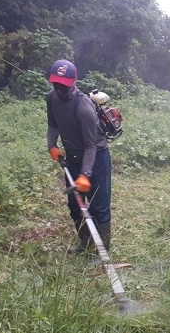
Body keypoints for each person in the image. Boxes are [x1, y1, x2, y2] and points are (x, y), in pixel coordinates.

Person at [45, 59, 112, 253]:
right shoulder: (51, 98)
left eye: (64, 85)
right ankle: (86, 244)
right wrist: (52, 146)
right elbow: (53, 125)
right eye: (56, 84)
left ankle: (103, 250)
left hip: (96, 158)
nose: (59, 89)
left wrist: (85, 174)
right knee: (75, 206)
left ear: (74, 82)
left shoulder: (83, 107)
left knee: (99, 207)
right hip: (72, 159)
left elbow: (91, 145)